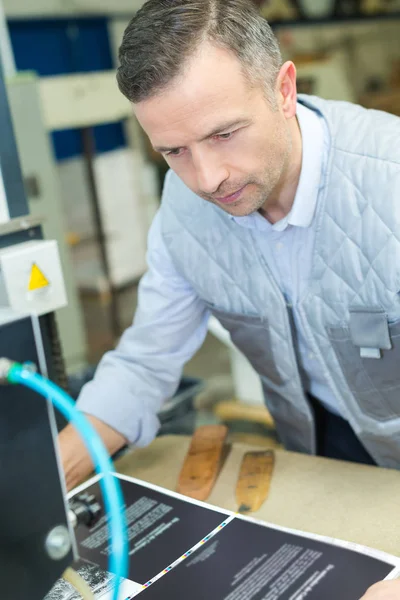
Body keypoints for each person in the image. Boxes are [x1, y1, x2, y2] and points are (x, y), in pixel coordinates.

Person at [59, 1, 400, 596]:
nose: (207, 178)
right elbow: (144, 362)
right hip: (317, 458)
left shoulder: (390, 180)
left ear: (284, 88)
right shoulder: (186, 208)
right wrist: (45, 478)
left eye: (223, 133)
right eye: (173, 151)